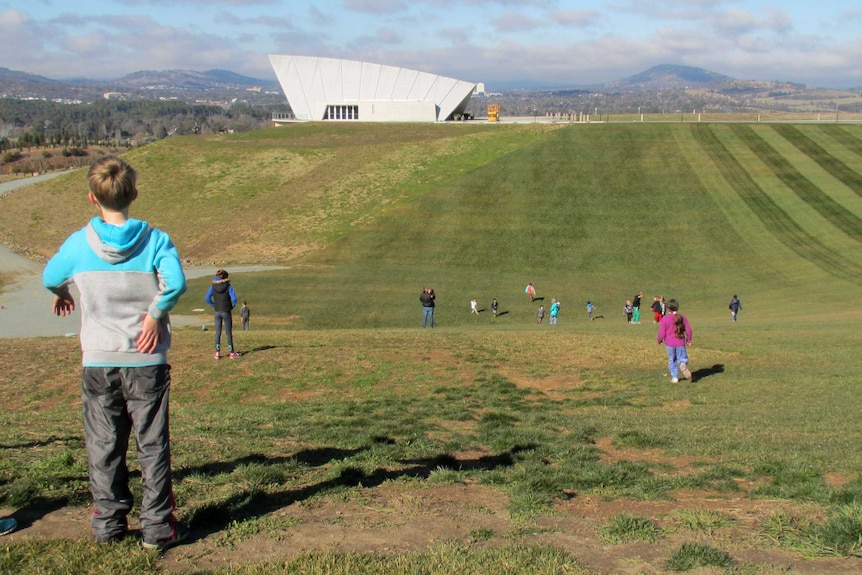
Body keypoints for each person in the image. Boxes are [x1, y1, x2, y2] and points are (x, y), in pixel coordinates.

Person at [42, 155, 187, 550]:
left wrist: (62, 292)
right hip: (147, 360)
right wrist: (155, 314)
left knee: (104, 443)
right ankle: (158, 527)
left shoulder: (78, 243)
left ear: (92, 198)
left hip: (98, 359)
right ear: (134, 194)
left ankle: (108, 524)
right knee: (152, 443)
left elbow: (50, 276)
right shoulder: (156, 240)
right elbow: (174, 283)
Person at [657, 298, 693, 383]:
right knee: (682, 357)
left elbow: (662, 332)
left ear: (668, 308)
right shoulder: (682, 317)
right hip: (680, 342)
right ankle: (683, 364)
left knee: (672, 360)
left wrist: (659, 340)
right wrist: (689, 340)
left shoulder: (665, 319)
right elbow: (688, 330)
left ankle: (675, 377)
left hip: (669, 343)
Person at [206, 269, 240, 359]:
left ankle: (217, 353)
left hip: (217, 311)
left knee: (218, 332)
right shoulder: (228, 286)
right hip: (226, 311)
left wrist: (214, 305)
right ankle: (232, 352)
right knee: (228, 332)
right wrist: (231, 306)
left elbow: (207, 298)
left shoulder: (213, 286)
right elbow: (234, 298)